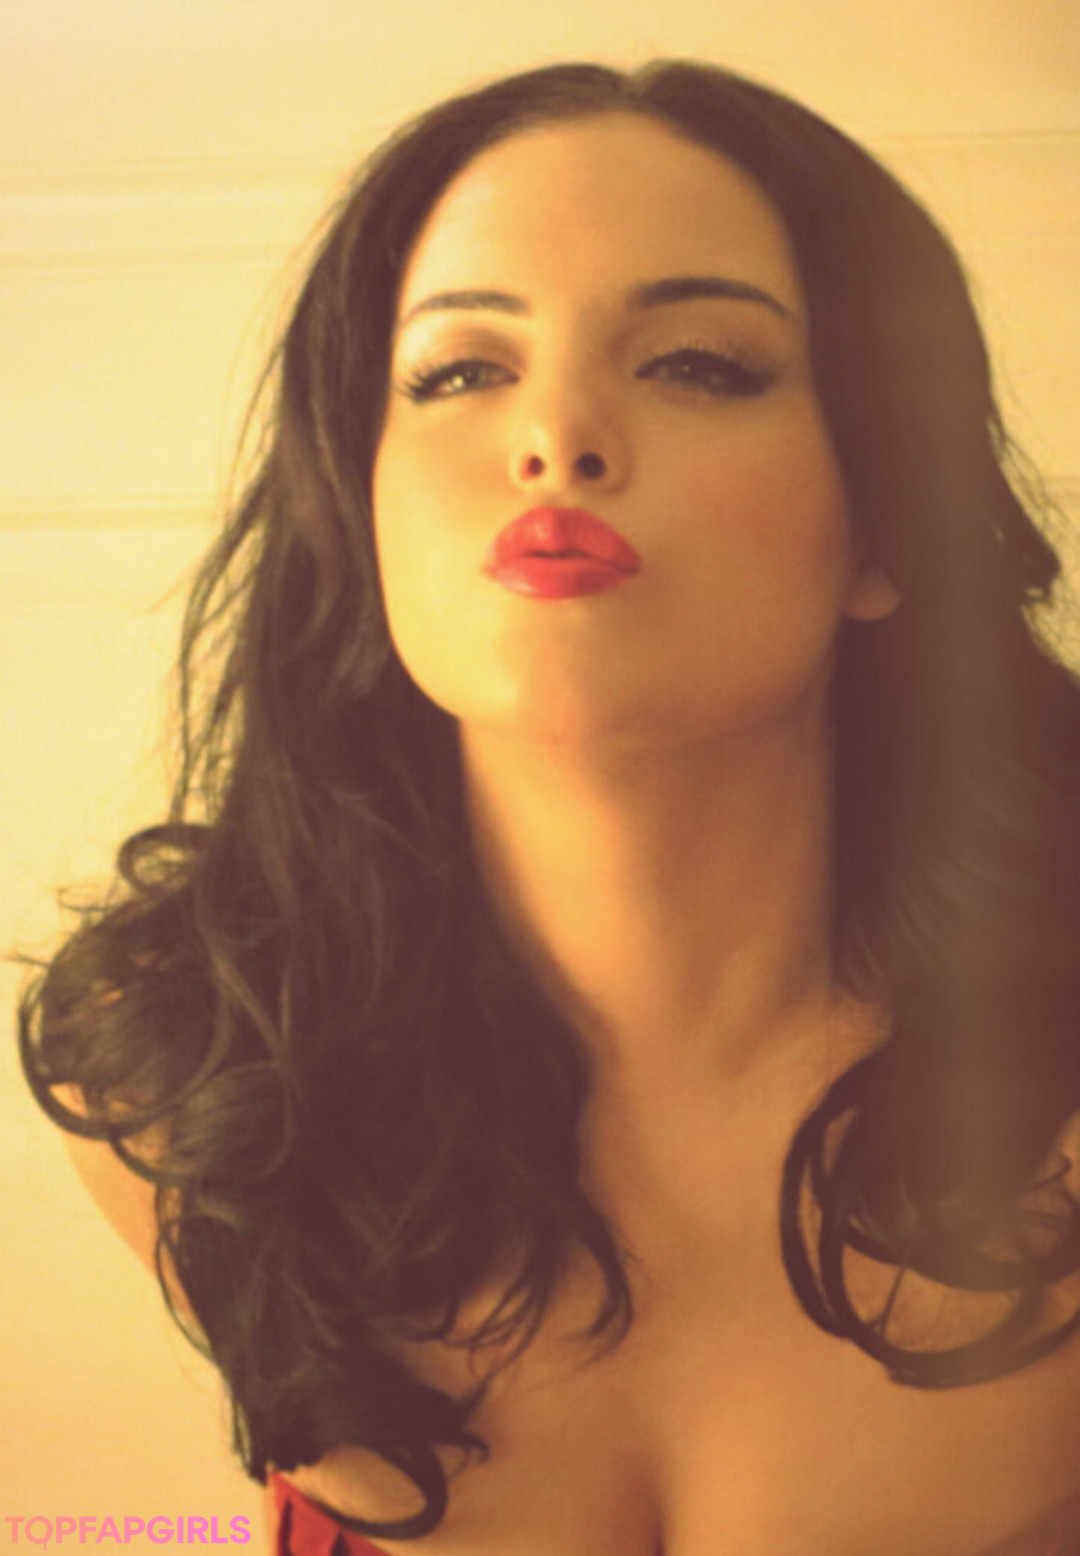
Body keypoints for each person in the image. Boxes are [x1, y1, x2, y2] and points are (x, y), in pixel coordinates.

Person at [18, 58, 1080, 1556]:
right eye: (460, 371)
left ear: (883, 525)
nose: (556, 436)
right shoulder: (188, 1077)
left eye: (697, 363)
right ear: (361, 504)